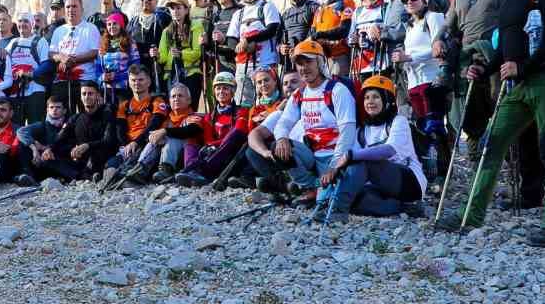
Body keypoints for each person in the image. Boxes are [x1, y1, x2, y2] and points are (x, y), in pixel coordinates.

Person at [433, 0, 545, 242]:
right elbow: (506, 44)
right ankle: (471, 214)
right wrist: (486, 66)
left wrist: (522, 67)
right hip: (515, 85)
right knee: (491, 146)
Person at [245, 40, 356, 201]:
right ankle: (309, 186)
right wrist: (282, 139)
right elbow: (284, 122)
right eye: (299, 63)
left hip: (335, 156)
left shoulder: (337, 90)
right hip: (311, 155)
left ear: (320, 62)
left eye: (309, 62)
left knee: (329, 200)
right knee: (279, 147)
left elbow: (348, 132)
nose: (304, 68)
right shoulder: (300, 94)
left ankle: (321, 190)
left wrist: (334, 166)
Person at [317, 75, 426, 222]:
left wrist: (350, 155)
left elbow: (388, 150)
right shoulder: (362, 129)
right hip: (380, 186)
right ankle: (406, 207)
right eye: (367, 98)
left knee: (364, 160)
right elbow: (351, 162)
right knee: (356, 200)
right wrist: (335, 170)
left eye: (376, 97)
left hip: (409, 182)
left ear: (387, 101)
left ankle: (337, 212)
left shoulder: (398, 121)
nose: (370, 102)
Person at [434, 0, 506, 159]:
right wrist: (438, 40)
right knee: (471, 115)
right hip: (467, 60)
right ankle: (477, 169)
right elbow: (448, 25)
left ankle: (512, 167)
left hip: (496, 58)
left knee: (501, 110)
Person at [393, 0, 451, 179]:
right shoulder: (410, 26)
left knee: (434, 125)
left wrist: (409, 57)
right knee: (422, 127)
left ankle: (444, 169)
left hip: (431, 78)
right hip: (414, 81)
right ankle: (431, 169)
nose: (409, 1)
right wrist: (402, 58)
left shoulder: (434, 17)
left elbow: (438, 46)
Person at [173, 71, 245, 186]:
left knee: (235, 135)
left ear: (232, 92)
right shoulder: (209, 116)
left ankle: (198, 171)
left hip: (229, 155)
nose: (221, 91)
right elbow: (207, 140)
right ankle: (191, 169)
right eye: (218, 88)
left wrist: (214, 145)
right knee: (193, 136)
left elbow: (237, 134)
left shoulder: (240, 112)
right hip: (211, 154)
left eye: (225, 88)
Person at [126, 81, 204, 184]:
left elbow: (191, 131)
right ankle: (141, 168)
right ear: (169, 101)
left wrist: (165, 131)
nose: (176, 99)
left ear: (189, 100)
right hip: (161, 157)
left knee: (172, 138)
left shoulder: (193, 116)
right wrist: (155, 137)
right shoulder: (166, 119)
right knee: (154, 138)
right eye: (173, 96)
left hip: (186, 157)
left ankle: (166, 170)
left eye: (180, 96)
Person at [102, 63, 167, 184]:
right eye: (133, 80)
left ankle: (134, 174)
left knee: (152, 143)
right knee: (110, 166)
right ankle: (116, 177)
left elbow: (155, 124)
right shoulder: (124, 105)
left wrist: (136, 143)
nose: (137, 83)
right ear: (129, 82)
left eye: (141, 79)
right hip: (128, 146)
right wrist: (128, 145)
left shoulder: (157, 101)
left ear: (149, 81)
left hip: (147, 143)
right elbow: (120, 130)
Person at [228, 0, 281, 106]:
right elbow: (231, 39)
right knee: (243, 103)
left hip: (266, 63)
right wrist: (241, 46)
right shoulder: (238, 14)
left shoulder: (267, 7)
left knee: (267, 101)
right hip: (243, 66)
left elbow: (272, 30)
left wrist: (249, 40)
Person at [50, 80, 117, 182]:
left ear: (98, 95)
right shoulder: (76, 118)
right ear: (80, 97)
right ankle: (83, 176)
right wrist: (50, 149)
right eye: (84, 94)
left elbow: (108, 141)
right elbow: (60, 139)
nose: (86, 97)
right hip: (80, 159)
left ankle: (83, 175)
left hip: (100, 156)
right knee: (50, 157)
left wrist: (87, 145)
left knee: (101, 154)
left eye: (90, 94)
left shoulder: (107, 114)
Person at [49, 0, 101, 113]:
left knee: (86, 117)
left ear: (81, 9)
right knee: (63, 117)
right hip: (62, 81)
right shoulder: (59, 30)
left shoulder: (90, 28)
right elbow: (51, 53)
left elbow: (94, 52)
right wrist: (61, 57)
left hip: (85, 80)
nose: (70, 9)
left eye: (74, 6)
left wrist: (73, 60)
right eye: (67, 7)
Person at [157, 0, 209, 110]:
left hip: (191, 74)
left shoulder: (195, 27)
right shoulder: (167, 32)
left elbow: (197, 53)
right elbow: (163, 57)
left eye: (179, 8)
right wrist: (156, 55)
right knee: (173, 109)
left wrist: (181, 54)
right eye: (173, 8)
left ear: (186, 10)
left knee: (190, 108)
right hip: (172, 75)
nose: (175, 11)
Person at [309, 0, 356, 79]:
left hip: (341, 56)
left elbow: (344, 30)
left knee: (340, 87)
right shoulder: (319, 9)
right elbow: (313, 34)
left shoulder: (346, 2)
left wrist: (320, 35)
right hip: (323, 59)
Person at [4, 14, 50, 126]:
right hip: (16, 90)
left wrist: (30, 74)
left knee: (35, 125)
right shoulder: (13, 42)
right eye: (20, 21)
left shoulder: (40, 41)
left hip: (35, 89)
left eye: (26, 21)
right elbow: (4, 61)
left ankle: (36, 144)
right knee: (15, 126)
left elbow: (46, 64)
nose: (22, 24)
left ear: (32, 24)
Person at [348, 0, 391, 77]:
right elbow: (349, 38)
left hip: (382, 65)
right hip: (361, 67)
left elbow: (391, 30)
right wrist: (354, 40)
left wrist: (379, 30)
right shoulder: (357, 12)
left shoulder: (386, 8)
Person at [18, 93, 70, 180]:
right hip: (42, 161)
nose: (54, 110)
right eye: (51, 107)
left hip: (59, 160)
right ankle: (28, 176)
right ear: (47, 110)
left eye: (58, 107)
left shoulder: (69, 124)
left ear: (64, 110)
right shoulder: (42, 125)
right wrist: (34, 148)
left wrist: (47, 148)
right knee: (23, 144)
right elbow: (21, 131)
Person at [128, 0, 170, 91]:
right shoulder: (133, 22)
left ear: (156, 1)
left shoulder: (164, 19)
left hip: (159, 66)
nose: (145, 1)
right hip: (139, 68)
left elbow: (172, 42)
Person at [96, 13, 139, 104]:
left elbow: (135, 66)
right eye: (109, 24)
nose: (112, 27)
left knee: (121, 115)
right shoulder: (103, 43)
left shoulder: (130, 42)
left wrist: (118, 76)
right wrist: (101, 77)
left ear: (121, 25)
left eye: (115, 23)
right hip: (106, 89)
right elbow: (98, 67)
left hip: (123, 87)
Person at [277, 0, 319, 66]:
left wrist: (300, 47)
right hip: (289, 62)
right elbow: (278, 39)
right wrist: (281, 48)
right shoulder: (285, 14)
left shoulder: (314, 8)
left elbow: (317, 33)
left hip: (309, 58)